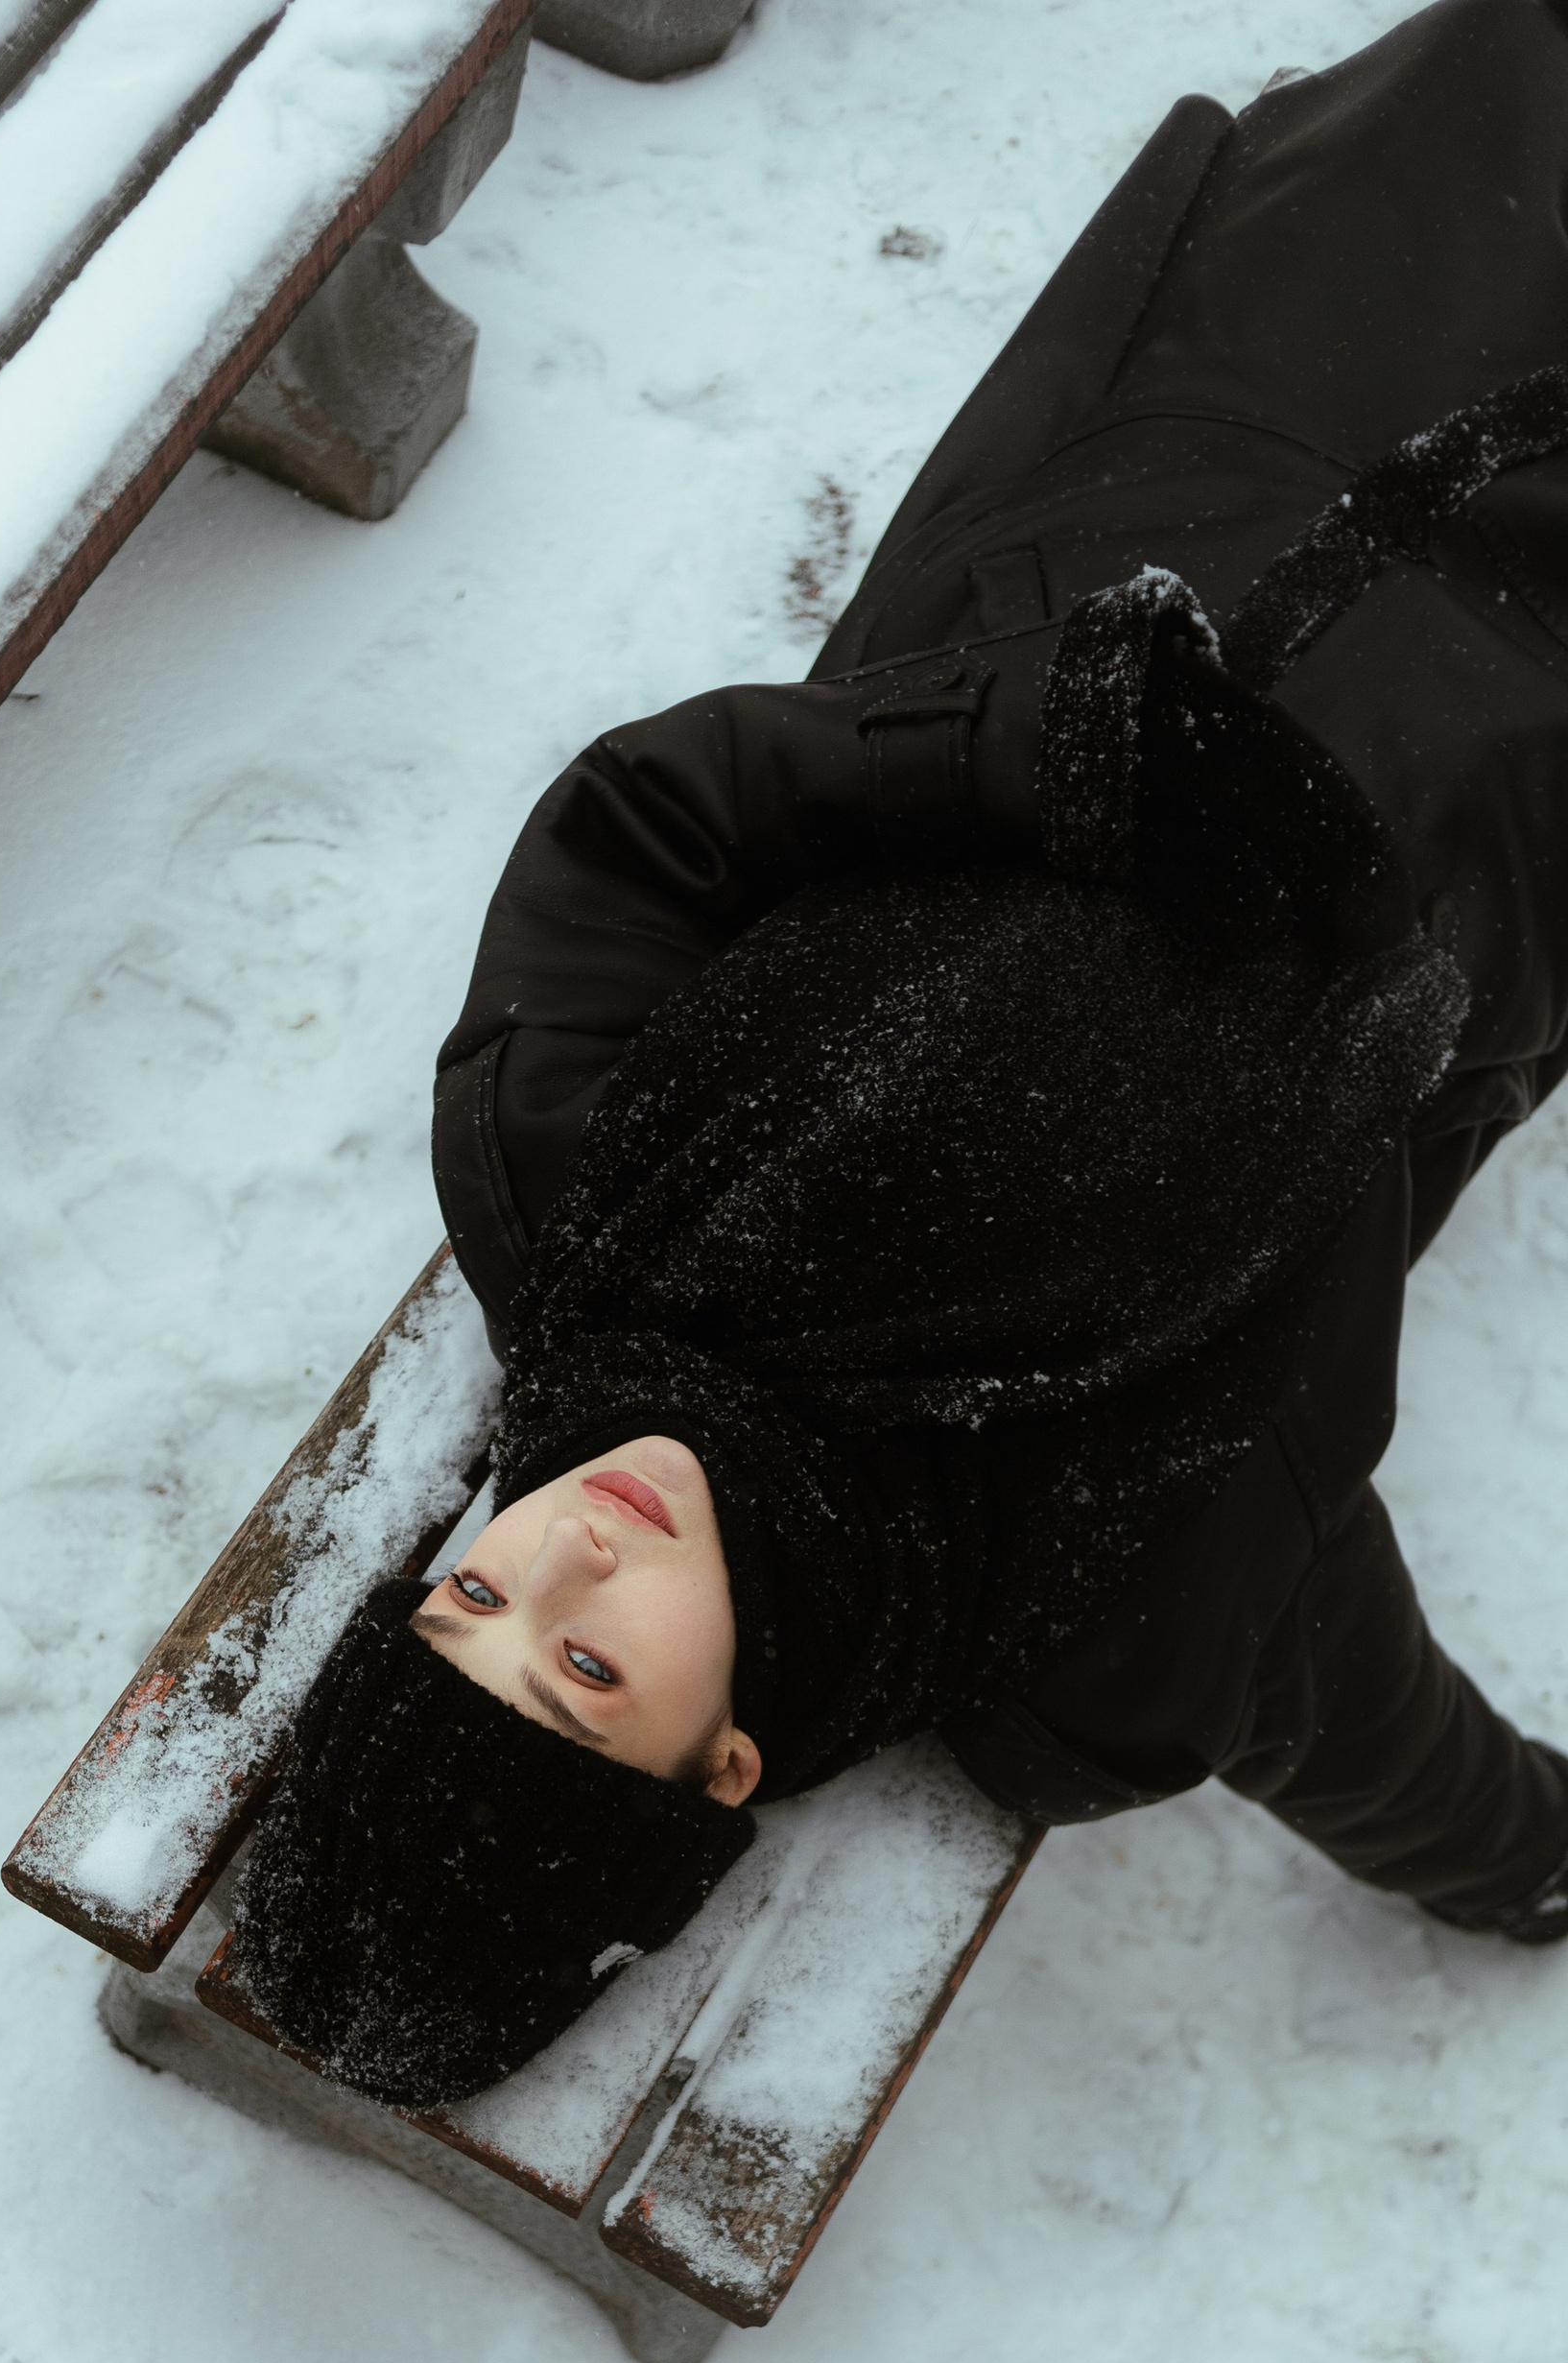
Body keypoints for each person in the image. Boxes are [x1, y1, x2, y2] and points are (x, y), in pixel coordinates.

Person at [231, 0, 1568, 2112]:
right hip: (1507, 745)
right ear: (724, 1760)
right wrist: (1536, 1876)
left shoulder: (567, 1184)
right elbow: (1363, 1717)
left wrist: (1051, 744)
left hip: (1174, 469)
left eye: (473, 1590)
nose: (567, 1542)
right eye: (585, 1668)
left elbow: (656, 811)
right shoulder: (1095, 1625)